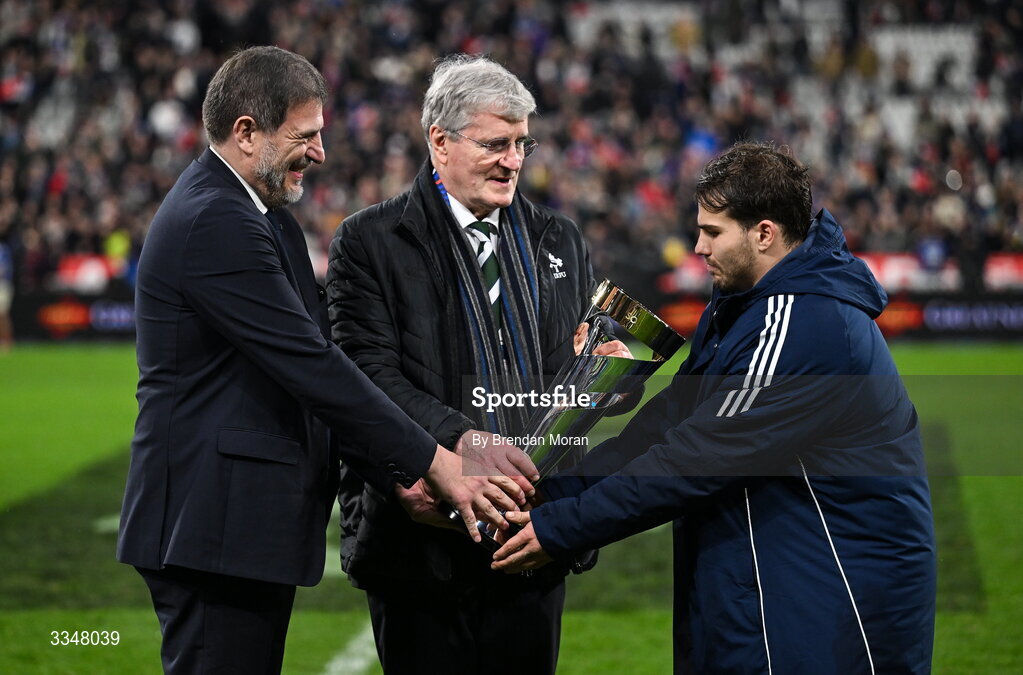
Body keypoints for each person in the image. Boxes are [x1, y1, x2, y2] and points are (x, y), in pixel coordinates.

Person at [117, 46, 535, 675]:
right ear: (247, 132)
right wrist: (434, 461)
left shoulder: (265, 219)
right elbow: (312, 366)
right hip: (210, 528)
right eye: (306, 135)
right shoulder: (214, 221)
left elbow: (324, 362)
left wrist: (396, 473)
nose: (319, 152)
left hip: (238, 527)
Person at [493, 142, 937, 674]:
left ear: (764, 233)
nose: (696, 248)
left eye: (712, 232)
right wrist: (550, 492)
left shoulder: (805, 324)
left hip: (827, 604)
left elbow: (692, 458)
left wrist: (559, 529)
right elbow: (664, 425)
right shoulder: (740, 307)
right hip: (763, 585)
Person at [326, 54, 631, 674]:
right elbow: (365, 376)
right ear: (439, 141)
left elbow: (571, 373)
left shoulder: (558, 237)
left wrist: (608, 379)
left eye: (523, 144)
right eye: (495, 144)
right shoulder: (369, 241)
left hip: (530, 540)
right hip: (422, 546)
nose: (513, 161)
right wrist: (457, 446)